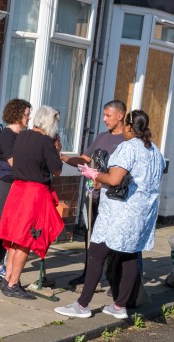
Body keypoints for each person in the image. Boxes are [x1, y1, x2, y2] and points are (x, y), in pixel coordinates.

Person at [55, 110, 164, 319]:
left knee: (97, 253)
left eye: (125, 125)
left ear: (130, 127)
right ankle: (119, 305)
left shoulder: (128, 148)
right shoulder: (154, 151)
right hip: (141, 213)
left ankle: (82, 305)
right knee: (129, 255)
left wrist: (94, 174)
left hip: (119, 213)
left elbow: (114, 179)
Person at [0, 105, 65, 300]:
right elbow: (56, 170)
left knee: (14, 238)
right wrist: (57, 150)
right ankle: (13, 283)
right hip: (33, 194)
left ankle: (7, 278)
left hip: (17, 189)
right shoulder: (46, 142)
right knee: (26, 240)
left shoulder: (22, 136)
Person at [62, 100, 127, 288]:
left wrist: (104, 181)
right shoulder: (101, 137)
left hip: (115, 200)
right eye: (104, 114)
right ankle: (88, 275)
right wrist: (65, 158)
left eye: (108, 115)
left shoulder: (127, 141)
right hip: (95, 198)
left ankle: (114, 278)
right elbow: (85, 159)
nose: (104, 119)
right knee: (90, 237)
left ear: (120, 115)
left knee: (113, 240)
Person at [0, 98, 32, 283]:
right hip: (3, 182)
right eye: (26, 115)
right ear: (17, 115)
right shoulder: (8, 135)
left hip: (15, 183)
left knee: (8, 227)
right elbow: (14, 164)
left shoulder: (21, 136)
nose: (29, 118)